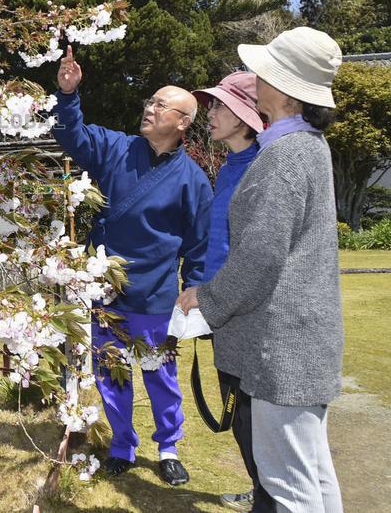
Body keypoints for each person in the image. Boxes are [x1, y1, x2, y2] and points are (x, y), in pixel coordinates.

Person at [179, 27, 344, 513]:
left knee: (289, 488)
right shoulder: (307, 148)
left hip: (282, 351)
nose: (255, 80)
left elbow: (258, 260)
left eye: (262, 72)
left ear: (283, 87)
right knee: (313, 476)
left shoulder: (284, 157)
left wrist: (203, 301)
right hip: (303, 344)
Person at [51, 46, 212, 486]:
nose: (150, 107)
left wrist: (192, 292)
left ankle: (168, 447)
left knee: (160, 376)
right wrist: (68, 95)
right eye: (150, 101)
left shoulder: (193, 180)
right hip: (107, 292)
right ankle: (122, 443)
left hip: (158, 295)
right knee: (111, 372)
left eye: (162, 105)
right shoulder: (116, 149)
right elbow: (75, 136)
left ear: (182, 122)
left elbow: (199, 244)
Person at [192, 71, 265, 512]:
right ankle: (263, 492)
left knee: (252, 417)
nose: (211, 114)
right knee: (238, 413)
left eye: (220, 106)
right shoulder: (227, 169)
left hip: (246, 315)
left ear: (245, 117)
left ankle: (269, 497)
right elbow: (217, 243)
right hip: (219, 309)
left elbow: (255, 257)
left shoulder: (262, 169)